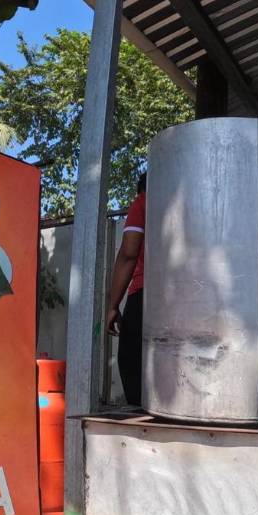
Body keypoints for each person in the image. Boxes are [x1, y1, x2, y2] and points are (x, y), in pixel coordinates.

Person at [106, 173, 147, 406]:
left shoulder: (143, 201)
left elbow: (129, 253)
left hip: (146, 295)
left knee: (131, 364)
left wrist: (113, 306)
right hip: (188, 297)